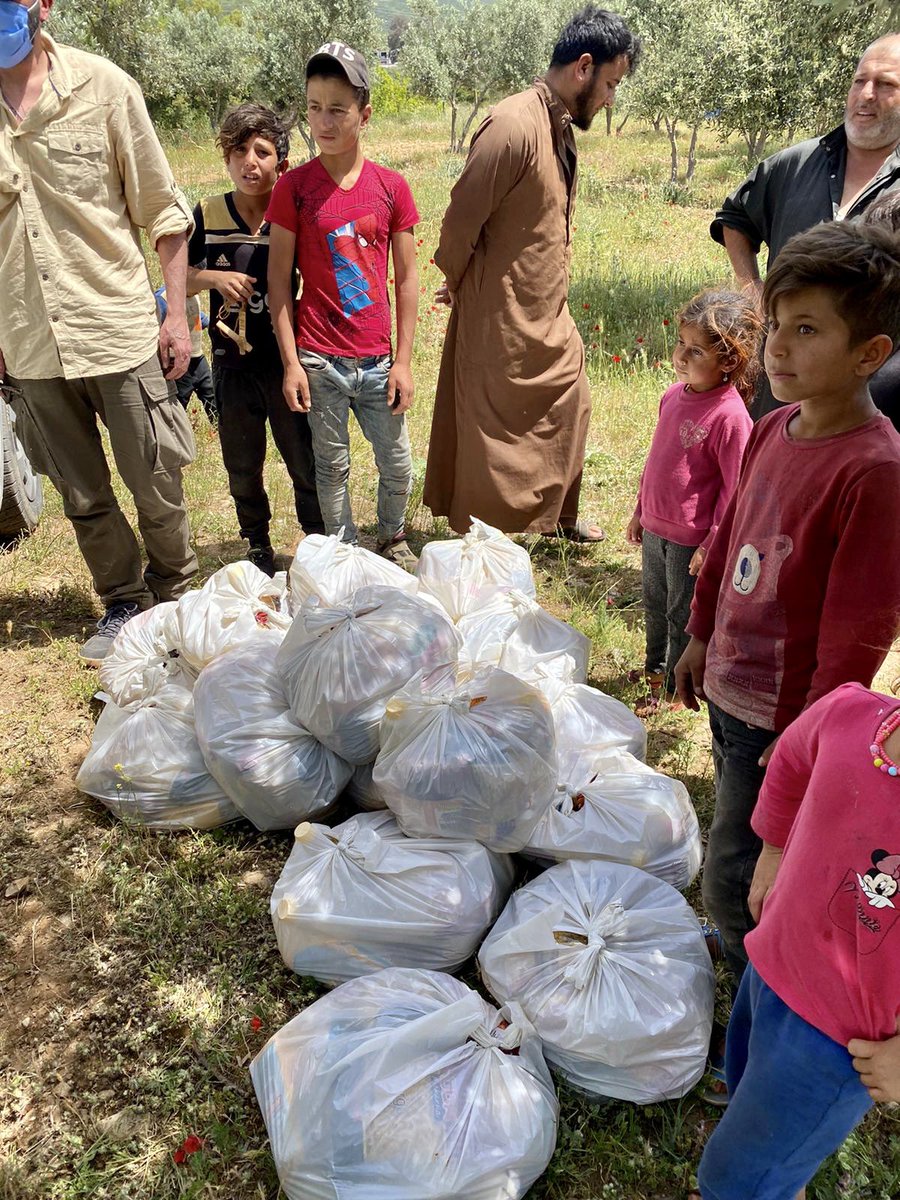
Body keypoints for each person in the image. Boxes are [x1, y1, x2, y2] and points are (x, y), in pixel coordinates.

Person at [675, 222, 900, 1000]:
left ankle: (750, 998)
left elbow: (854, 639)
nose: (778, 346)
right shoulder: (773, 427)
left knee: (742, 863)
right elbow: (728, 535)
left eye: (807, 330)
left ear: (870, 353)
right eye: (776, 323)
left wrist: (808, 742)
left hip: (784, 719)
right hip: (732, 686)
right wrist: (699, 633)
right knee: (735, 838)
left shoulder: (875, 472)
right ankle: (740, 942)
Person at [0, 0, 198, 662]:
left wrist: (177, 315)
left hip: (117, 329)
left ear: (45, 4)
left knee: (156, 483)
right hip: (28, 343)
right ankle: (123, 600)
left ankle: (175, 597)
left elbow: (163, 211)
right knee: (82, 494)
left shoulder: (105, 87)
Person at [423, 5, 640, 540]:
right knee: (487, 425)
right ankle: (478, 534)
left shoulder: (558, 126)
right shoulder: (513, 124)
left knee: (574, 397)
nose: (611, 99)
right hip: (501, 307)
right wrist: (456, 279)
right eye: (610, 84)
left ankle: (556, 517)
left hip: (546, 305)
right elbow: (461, 218)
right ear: (583, 67)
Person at [691, 683, 900, 1200]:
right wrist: (772, 849)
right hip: (769, 971)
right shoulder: (851, 714)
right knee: (751, 1103)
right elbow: (788, 760)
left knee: (730, 1179)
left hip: (836, 1046)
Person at [267, 42, 419, 570]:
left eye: (337, 108)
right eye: (313, 106)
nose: (323, 120)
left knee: (397, 463)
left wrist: (402, 360)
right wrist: (291, 362)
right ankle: (344, 552)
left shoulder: (391, 188)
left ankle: (392, 537)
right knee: (331, 468)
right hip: (319, 359)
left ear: (364, 114)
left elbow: (406, 279)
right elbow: (279, 283)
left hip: (378, 360)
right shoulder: (294, 188)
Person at [712, 34, 900, 419]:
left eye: (886, 85)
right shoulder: (796, 163)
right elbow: (735, 219)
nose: (865, 95)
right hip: (781, 389)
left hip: (875, 400)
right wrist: (752, 287)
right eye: (859, 81)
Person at [188, 103, 324, 576]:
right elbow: (179, 278)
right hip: (232, 368)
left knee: (303, 459)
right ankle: (257, 545)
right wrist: (212, 278)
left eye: (262, 152)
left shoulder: (292, 217)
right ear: (226, 159)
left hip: (287, 364)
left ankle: (317, 540)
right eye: (239, 150)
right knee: (242, 464)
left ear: (280, 164)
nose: (251, 162)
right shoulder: (207, 213)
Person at [626, 291, 760, 714]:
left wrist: (712, 544)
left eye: (696, 349)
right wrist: (638, 512)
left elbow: (734, 489)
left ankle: (672, 688)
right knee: (653, 601)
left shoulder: (730, 416)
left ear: (728, 361)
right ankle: (654, 670)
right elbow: (656, 461)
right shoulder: (672, 395)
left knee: (681, 612)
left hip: (690, 541)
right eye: (680, 343)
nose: (682, 355)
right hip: (655, 527)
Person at [154, 288, 218, 424]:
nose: (200, 290)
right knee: (180, 398)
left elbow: (199, 318)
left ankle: (218, 423)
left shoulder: (193, 296)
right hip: (178, 361)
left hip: (197, 357)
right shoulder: (163, 300)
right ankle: (176, 427)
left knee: (210, 390)